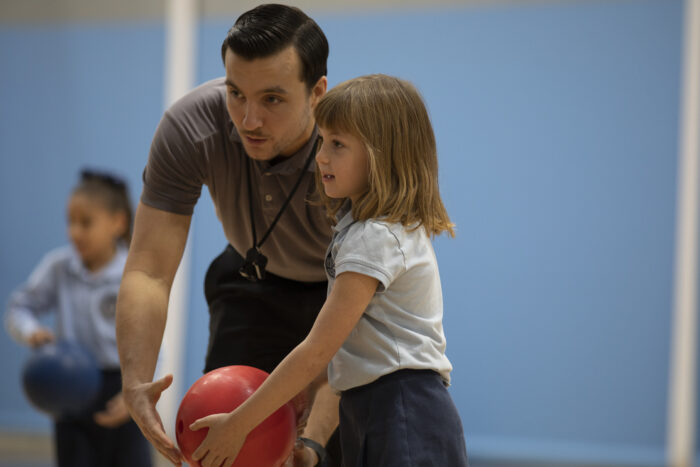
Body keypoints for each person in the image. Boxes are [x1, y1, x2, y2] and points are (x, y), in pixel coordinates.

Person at [186, 74, 470, 467]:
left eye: (337, 144)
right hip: (371, 408)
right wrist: (313, 442)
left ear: (382, 154)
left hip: (405, 410)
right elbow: (349, 357)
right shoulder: (358, 228)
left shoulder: (377, 237)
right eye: (322, 141)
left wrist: (241, 423)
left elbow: (317, 350)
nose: (321, 156)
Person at [115, 4, 340, 466]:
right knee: (224, 444)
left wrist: (313, 442)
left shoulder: (352, 146)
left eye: (272, 99)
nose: (249, 119)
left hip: (340, 292)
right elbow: (149, 269)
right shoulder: (191, 126)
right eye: (236, 93)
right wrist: (136, 379)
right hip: (249, 281)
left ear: (317, 92)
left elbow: (361, 318)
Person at [5, 169, 152, 467]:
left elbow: (152, 338)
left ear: (118, 222)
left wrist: (139, 392)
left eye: (85, 223)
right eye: (70, 222)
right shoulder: (58, 267)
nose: (74, 232)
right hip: (70, 387)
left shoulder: (134, 273)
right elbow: (18, 308)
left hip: (122, 389)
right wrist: (31, 331)